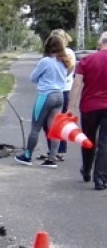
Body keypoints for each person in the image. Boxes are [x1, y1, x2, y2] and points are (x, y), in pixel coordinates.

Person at [15, 33, 69, 167]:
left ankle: (27, 156)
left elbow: (33, 78)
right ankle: (52, 158)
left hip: (46, 95)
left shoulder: (45, 61)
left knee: (36, 127)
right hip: (59, 96)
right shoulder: (64, 61)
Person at [66, 30, 107, 189]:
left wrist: (71, 107)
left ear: (100, 42)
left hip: (89, 107)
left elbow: (77, 84)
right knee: (105, 143)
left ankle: (87, 170)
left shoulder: (86, 60)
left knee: (88, 140)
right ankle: (101, 178)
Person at [42, 29, 76, 161]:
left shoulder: (68, 53)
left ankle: (59, 151)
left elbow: (71, 68)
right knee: (49, 122)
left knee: (57, 121)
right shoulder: (55, 54)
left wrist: (62, 78)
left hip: (63, 90)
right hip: (57, 90)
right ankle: (53, 150)